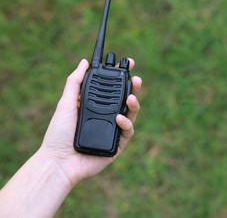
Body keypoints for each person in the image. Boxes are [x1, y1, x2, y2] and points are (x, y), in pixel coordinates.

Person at [0, 58, 142, 217]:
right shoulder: (115, 77)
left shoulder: (95, 73)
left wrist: (57, 164)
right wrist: (57, 161)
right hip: (94, 140)